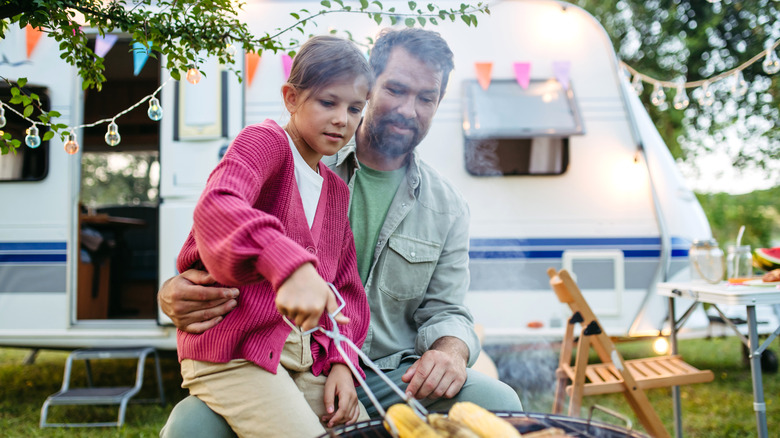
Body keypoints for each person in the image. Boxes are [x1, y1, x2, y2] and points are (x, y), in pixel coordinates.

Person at [159, 28, 522, 438]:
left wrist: (450, 352)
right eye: (396, 90)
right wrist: (172, 289)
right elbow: (218, 217)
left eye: (426, 98)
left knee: (502, 405)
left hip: (382, 373)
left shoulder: (437, 205)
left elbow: (433, 307)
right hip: (253, 354)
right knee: (189, 429)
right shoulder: (288, 149)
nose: (408, 108)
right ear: (373, 83)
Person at [171, 35, 373, 438]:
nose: (342, 119)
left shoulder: (336, 192)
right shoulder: (265, 143)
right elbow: (219, 205)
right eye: (327, 102)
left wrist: (341, 362)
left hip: (302, 358)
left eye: (354, 108)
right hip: (235, 353)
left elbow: (345, 289)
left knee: (363, 432)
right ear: (291, 98)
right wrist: (290, 266)